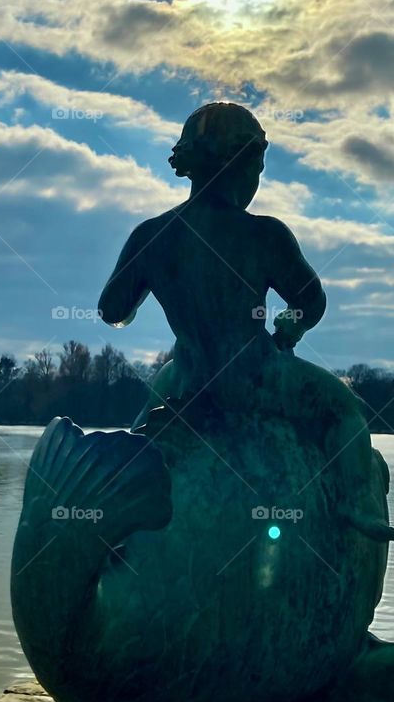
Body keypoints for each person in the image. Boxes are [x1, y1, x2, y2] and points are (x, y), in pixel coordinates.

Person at [98, 102, 370, 468]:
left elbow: (112, 310)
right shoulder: (264, 234)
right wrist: (294, 323)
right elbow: (311, 300)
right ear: (242, 165)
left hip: (186, 379)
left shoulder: (151, 235)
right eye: (257, 170)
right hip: (258, 379)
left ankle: (120, 488)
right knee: (345, 410)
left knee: (139, 435)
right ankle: (364, 519)